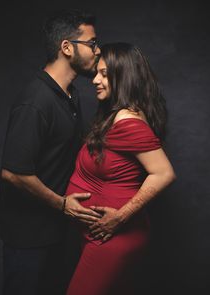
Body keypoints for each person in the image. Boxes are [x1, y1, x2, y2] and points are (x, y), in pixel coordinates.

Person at [0, 9, 101, 295]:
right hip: (28, 237)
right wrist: (62, 205)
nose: (98, 50)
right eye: (92, 44)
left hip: (59, 231)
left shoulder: (71, 95)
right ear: (66, 47)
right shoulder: (35, 100)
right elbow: (13, 173)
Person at [65, 42, 176, 295]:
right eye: (96, 72)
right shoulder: (113, 115)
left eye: (104, 74)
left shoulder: (128, 120)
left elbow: (164, 173)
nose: (95, 80)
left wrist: (121, 216)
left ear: (123, 77)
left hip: (113, 237)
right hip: (101, 234)